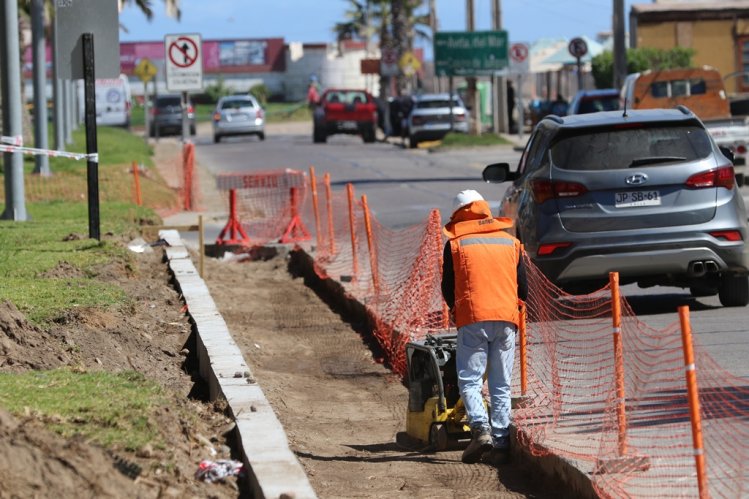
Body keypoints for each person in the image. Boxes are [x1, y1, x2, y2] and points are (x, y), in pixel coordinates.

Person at [441, 189, 528, 465]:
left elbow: (448, 287)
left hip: (473, 318)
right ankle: (501, 444)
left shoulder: (456, 245)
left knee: (470, 379)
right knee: (502, 383)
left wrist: (457, 310)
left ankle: (480, 430)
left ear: (458, 216)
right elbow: (523, 287)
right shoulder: (509, 242)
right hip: (505, 319)